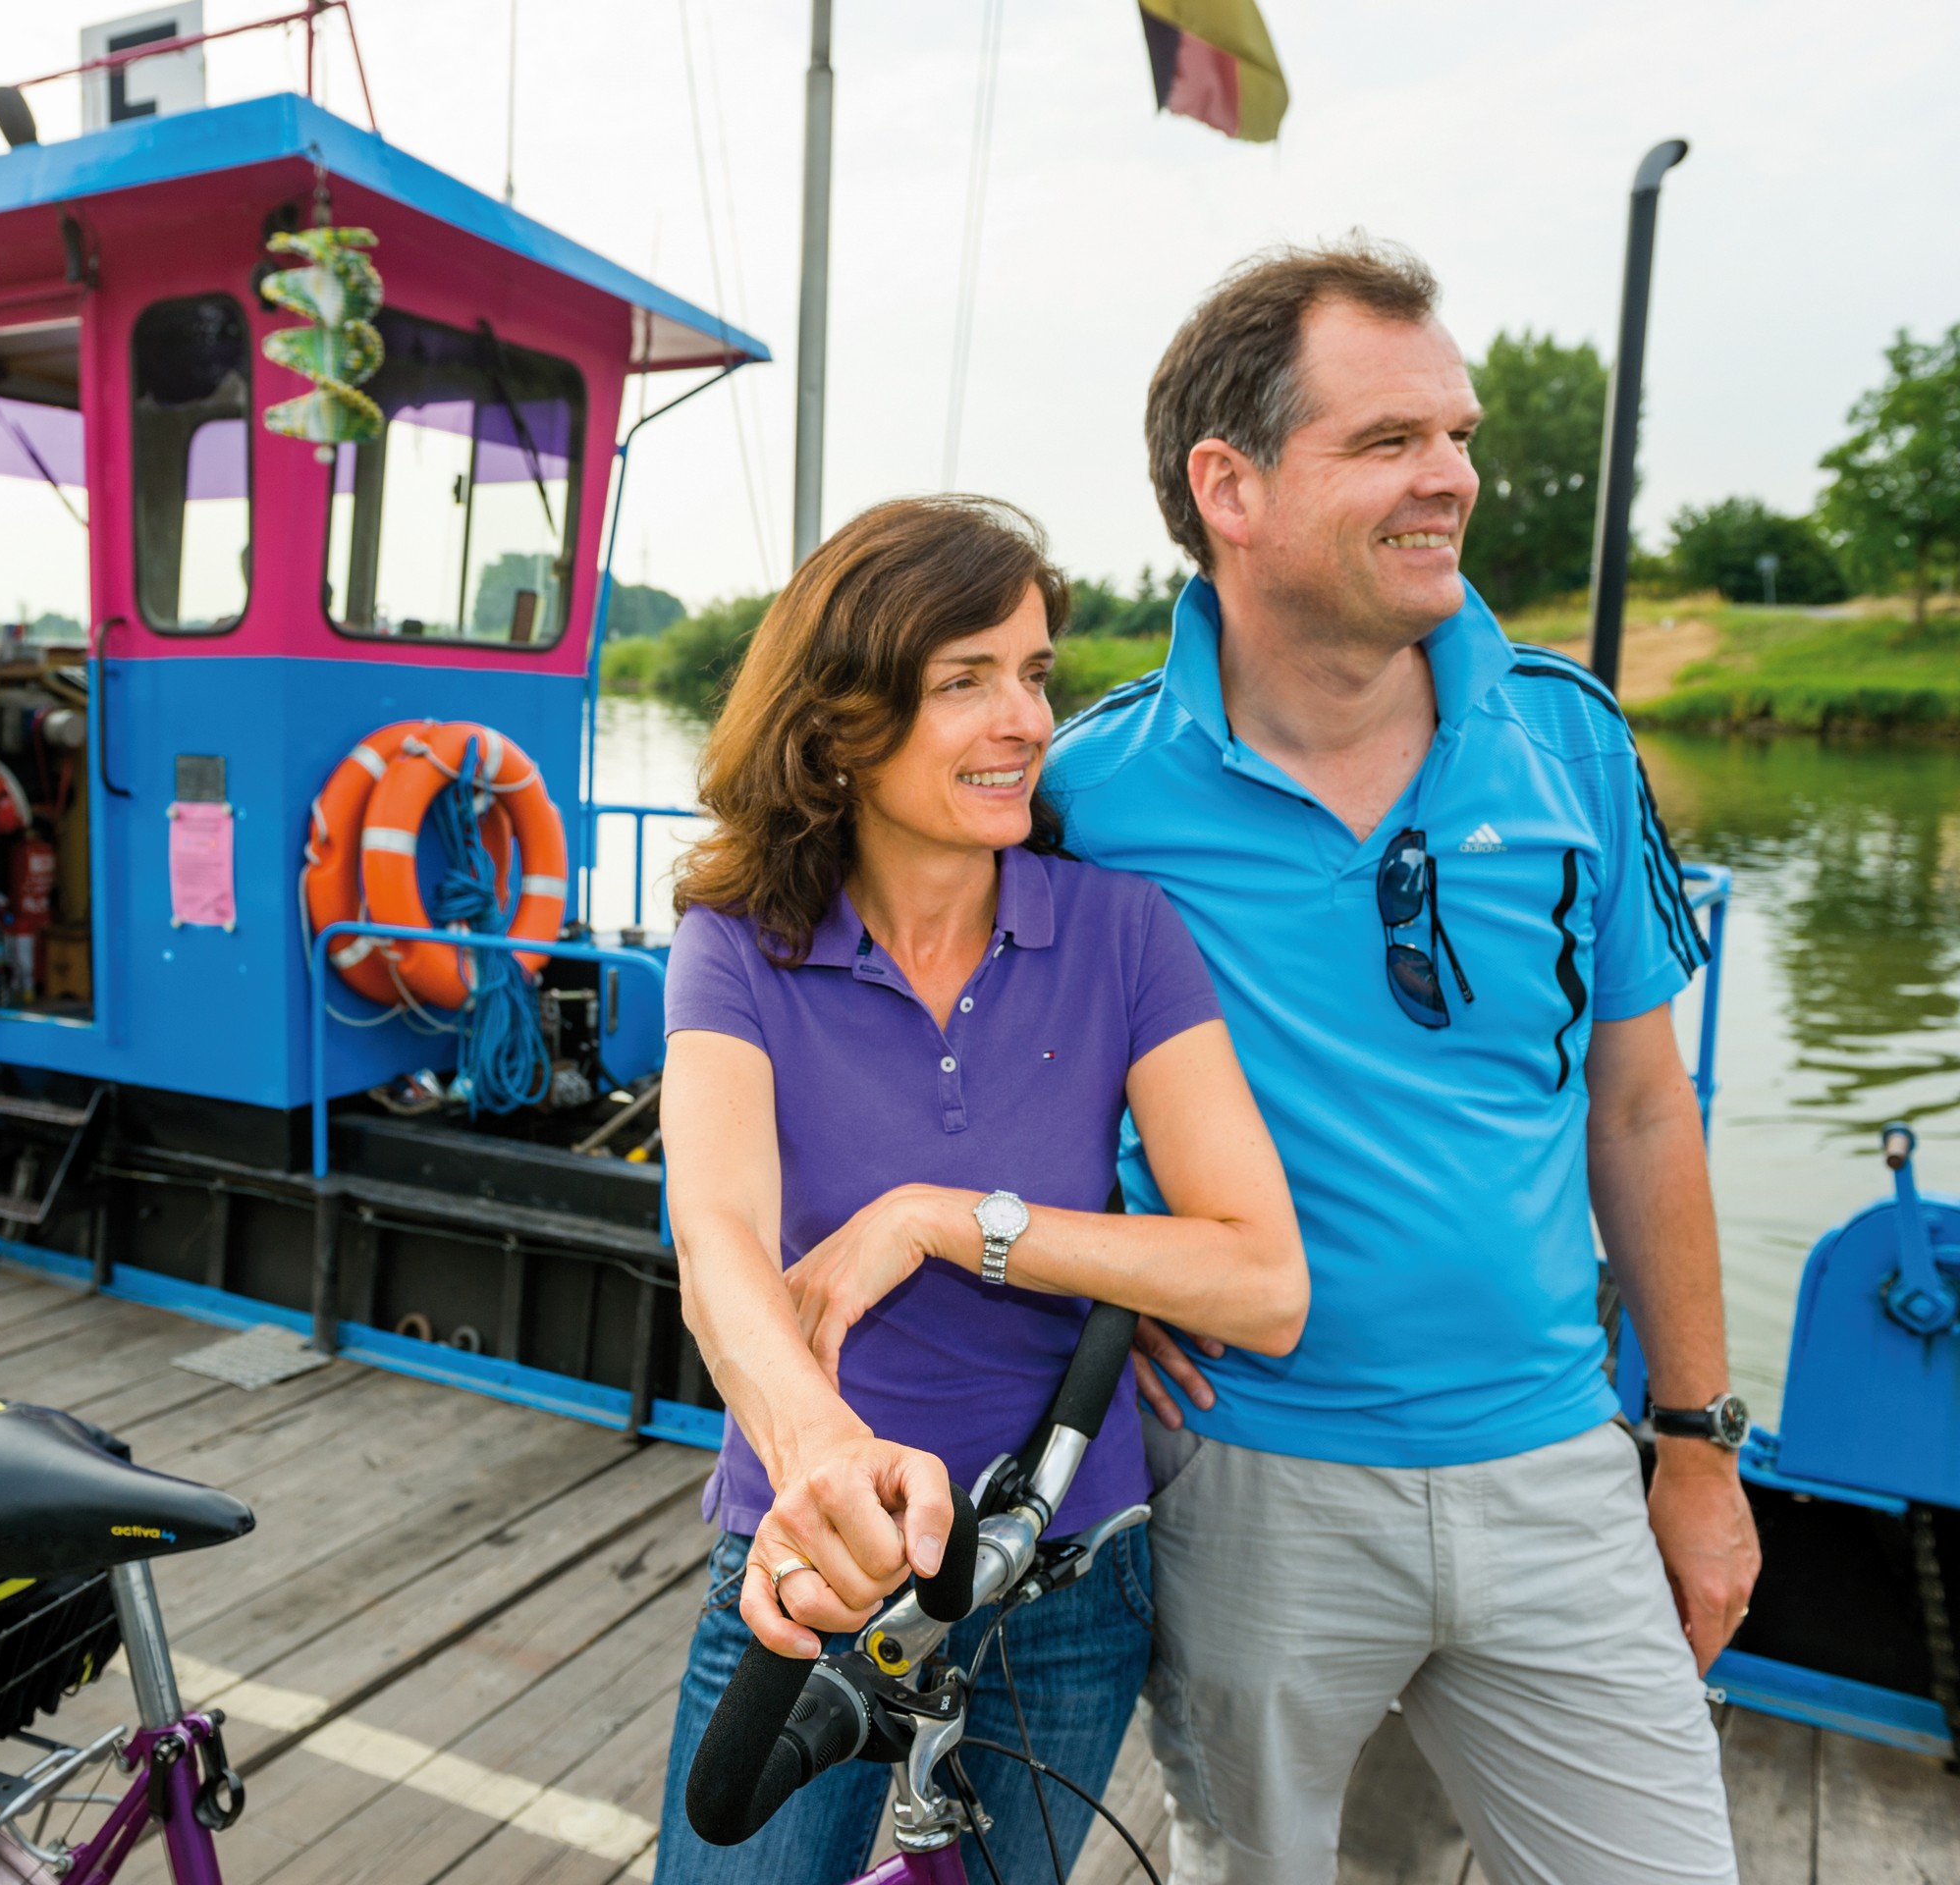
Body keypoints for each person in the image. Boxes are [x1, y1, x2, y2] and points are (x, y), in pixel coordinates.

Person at [1043, 240, 1760, 1885]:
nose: (1454, 479)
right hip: (1250, 1491)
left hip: (1559, 1471)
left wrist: (1697, 1446)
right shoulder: (1085, 799)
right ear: (1229, 486)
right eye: (1388, 443)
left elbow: (1643, 1111)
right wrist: (1100, 1268)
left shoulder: (1572, 736)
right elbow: (991, 1079)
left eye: (1460, 434)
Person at [651, 495, 1309, 1885]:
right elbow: (716, 1241)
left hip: (1064, 1574)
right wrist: (820, 1453)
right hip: (814, 1566)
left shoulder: (1124, 933)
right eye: (966, 681)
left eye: (1034, 674)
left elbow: (1262, 1281)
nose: (1024, 719)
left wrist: (945, 1220)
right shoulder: (738, 948)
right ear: (837, 721)